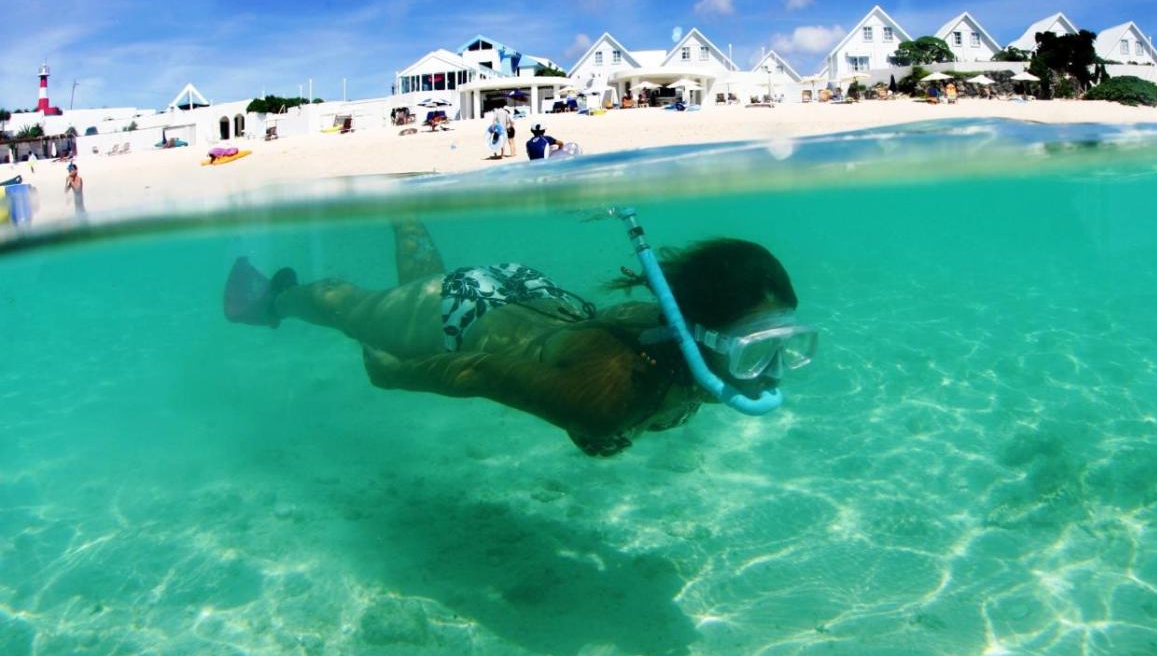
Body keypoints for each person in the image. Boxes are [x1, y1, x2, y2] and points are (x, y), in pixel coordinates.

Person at [222, 219, 814, 457]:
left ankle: (405, 212)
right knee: (351, 309)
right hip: (463, 319)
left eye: (787, 344)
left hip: (528, 293)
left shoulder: (670, 339)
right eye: (756, 348)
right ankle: (269, 302)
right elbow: (477, 371)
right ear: (697, 335)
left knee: (420, 287)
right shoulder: (609, 394)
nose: (773, 370)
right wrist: (396, 375)